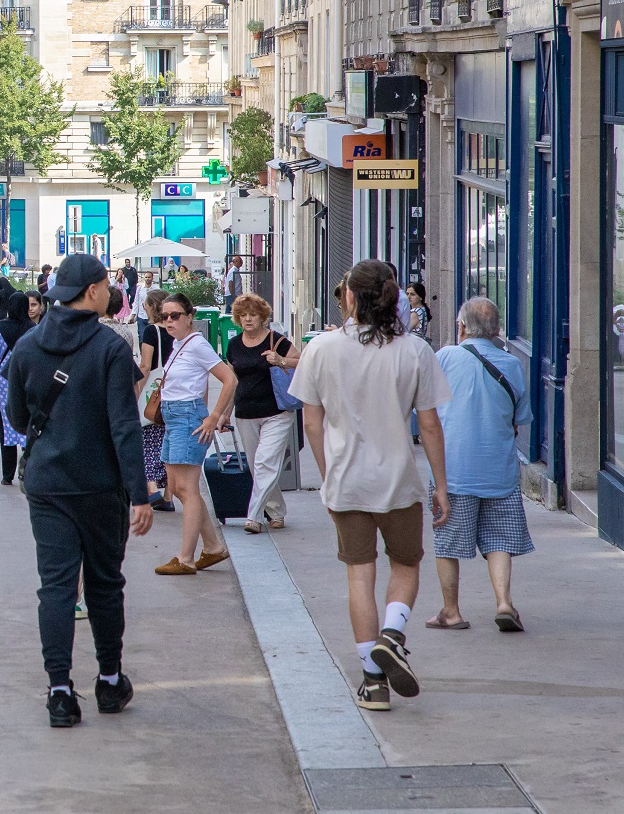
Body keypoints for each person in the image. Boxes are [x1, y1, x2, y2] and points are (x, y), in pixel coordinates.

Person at [288, 258, 451, 714]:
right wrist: (440, 484)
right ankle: (393, 634)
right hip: (398, 478)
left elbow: (312, 422)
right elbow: (430, 424)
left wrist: (326, 475)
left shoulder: (321, 349)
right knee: (406, 563)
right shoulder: (414, 350)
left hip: (346, 479)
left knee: (359, 573)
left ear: (350, 297)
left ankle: (372, 681)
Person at [3, 255, 152, 727]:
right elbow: (124, 427)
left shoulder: (27, 347)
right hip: (100, 486)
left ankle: (60, 691)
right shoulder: (109, 348)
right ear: (91, 291)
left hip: (48, 486)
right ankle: (109, 682)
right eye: (107, 284)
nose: (112, 291)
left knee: (57, 588)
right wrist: (141, 494)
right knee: (105, 585)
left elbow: (18, 418)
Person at [427, 296, 532, 633]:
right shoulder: (512, 364)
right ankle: (504, 602)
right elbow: (521, 418)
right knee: (500, 539)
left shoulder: (444, 357)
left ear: (461, 327)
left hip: (453, 469)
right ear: (497, 330)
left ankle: (451, 611)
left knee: (448, 540)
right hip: (498, 468)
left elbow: (426, 410)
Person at [150, 292, 238, 575]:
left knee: (187, 489)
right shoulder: (178, 344)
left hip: (188, 416)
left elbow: (229, 379)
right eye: (164, 316)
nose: (169, 321)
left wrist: (215, 416)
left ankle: (185, 557)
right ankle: (211, 547)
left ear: (190, 317)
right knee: (177, 488)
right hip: (177, 416)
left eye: (175, 315)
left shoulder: (197, 344)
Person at [224, 292, 299, 534]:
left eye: (253, 315)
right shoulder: (234, 345)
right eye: (243, 315)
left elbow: (304, 361)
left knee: (266, 463)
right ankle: (276, 511)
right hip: (245, 412)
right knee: (259, 467)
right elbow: (232, 381)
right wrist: (224, 413)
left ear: (262, 317)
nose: (248, 319)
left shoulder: (277, 341)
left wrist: (280, 361)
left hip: (276, 412)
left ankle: (254, 516)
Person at [136, 290, 174, 513]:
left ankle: (151, 489)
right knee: (168, 444)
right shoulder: (175, 331)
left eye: (146, 303)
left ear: (153, 306)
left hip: (155, 392)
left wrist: (140, 390)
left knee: (148, 439)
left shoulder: (152, 332)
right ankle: (168, 496)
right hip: (176, 391)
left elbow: (145, 365)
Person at [0, 293, 31, 486]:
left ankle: (7, 475)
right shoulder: (34, 329)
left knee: (6, 427)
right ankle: (28, 469)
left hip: (5, 382)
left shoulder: (0, 328)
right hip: (27, 381)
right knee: (28, 424)